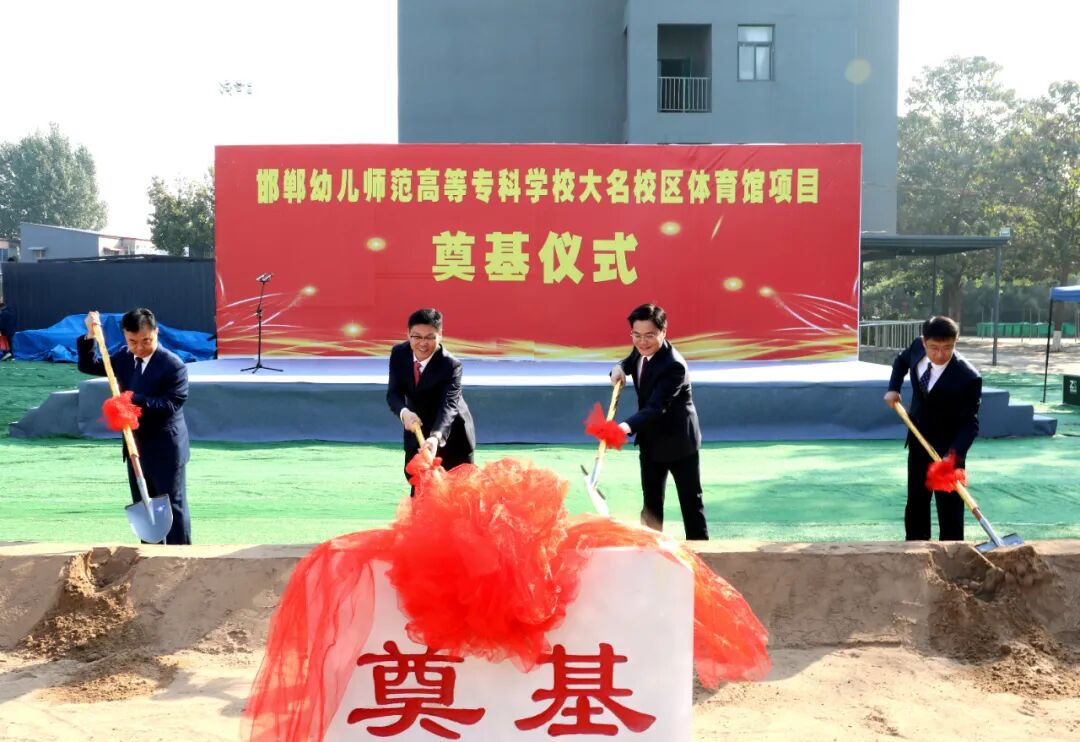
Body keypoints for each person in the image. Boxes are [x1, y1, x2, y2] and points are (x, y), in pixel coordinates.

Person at [78, 308, 192, 544]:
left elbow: (171, 404)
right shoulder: (123, 357)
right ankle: (149, 555)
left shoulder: (173, 365)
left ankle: (180, 555)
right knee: (143, 503)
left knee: (171, 505)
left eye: (146, 341)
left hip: (165, 447)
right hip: (134, 446)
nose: (139, 347)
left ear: (156, 333)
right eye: (132, 341)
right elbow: (90, 365)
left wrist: (132, 399)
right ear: (125, 336)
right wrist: (91, 334)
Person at [610, 303, 708, 540]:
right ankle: (649, 548)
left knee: (691, 503)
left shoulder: (674, 365)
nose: (643, 342)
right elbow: (631, 359)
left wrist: (622, 428)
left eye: (650, 335)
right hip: (651, 440)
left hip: (680, 443)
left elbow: (656, 406)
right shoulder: (641, 348)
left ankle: (702, 553)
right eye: (637, 335)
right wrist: (618, 367)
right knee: (651, 503)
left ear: (663, 332)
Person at [884, 315, 981, 541]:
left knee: (950, 507)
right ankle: (916, 549)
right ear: (924, 342)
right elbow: (901, 361)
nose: (940, 354)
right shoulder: (917, 348)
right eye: (934, 348)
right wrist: (893, 388)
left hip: (948, 449)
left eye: (947, 348)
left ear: (955, 342)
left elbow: (970, 423)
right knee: (916, 500)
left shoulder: (968, 377)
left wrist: (952, 457)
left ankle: (952, 551)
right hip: (919, 440)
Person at [386, 308, 476, 490]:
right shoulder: (399, 353)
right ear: (408, 334)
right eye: (417, 337)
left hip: (450, 432)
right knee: (420, 488)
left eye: (430, 337)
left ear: (440, 336)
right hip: (417, 426)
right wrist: (404, 413)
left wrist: (436, 437)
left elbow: (448, 406)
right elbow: (393, 393)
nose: (422, 343)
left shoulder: (451, 365)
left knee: (458, 492)